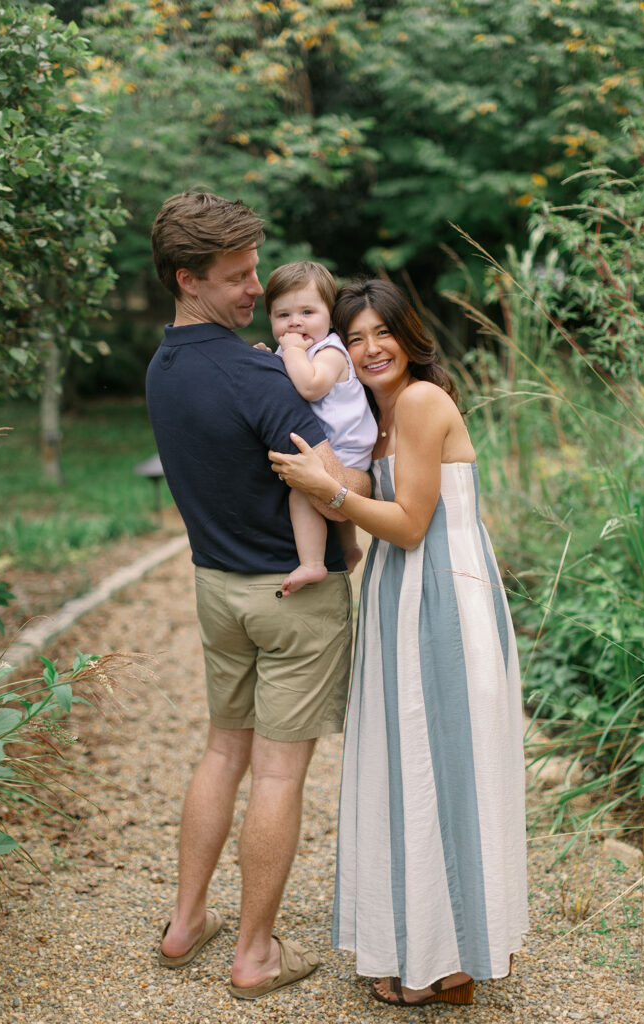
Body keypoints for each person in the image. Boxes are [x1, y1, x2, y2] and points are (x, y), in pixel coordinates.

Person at [269, 279, 529, 1007]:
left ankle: (445, 965)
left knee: (441, 773)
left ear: (409, 335)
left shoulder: (417, 403)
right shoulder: (377, 418)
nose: (368, 347)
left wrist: (324, 490)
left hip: (441, 604)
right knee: (416, 772)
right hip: (401, 601)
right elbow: (358, 495)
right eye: (352, 337)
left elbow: (411, 524)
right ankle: (436, 958)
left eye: (382, 331)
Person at [145, 191, 370, 1000]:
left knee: (221, 749)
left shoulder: (162, 369)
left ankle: (185, 921)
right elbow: (327, 478)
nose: (255, 294)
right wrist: (371, 476)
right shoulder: (257, 376)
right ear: (186, 278)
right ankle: (253, 955)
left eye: (253, 272)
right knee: (276, 776)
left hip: (215, 588)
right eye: (236, 278)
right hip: (291, 596)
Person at [265, 260, 378, 596]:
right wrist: (272, 358)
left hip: (348, 453)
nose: (295, 321)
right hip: (339, 448)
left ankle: (312, 562)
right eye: (282, 315)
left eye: (307, 312)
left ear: (330, 314)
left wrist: (291, 351)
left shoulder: (329, 352)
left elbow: (310, 387)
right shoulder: (298, 349)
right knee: (320, 488)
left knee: (302, 489)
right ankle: (350, 547)